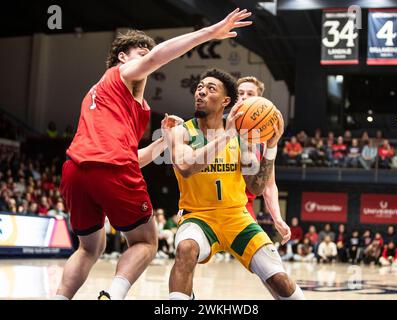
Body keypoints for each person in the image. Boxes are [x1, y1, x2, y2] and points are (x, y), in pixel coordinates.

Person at [55, 8, 253, 301]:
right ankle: (112, 295)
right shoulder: (119, 74)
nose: (147, 55)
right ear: (123, 57)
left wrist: (162, 142)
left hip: (75, 169)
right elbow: (158, 57)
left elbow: (130, 157)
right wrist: (211, 32)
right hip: (110, 169)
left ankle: (59, 298)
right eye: (140, 51)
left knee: (89, 248)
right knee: (146, 242)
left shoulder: (107, 96)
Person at [164, 68, 304, 300]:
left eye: (210, 89)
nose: (201, 93)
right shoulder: (182, 132)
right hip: (198, 217)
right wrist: (226, 136)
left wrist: (271, 146)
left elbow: (258, 187)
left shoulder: (244, 138)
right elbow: (186, 167)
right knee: (185, 249)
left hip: (236, 217)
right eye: (199, 87)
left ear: (225, 101)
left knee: (279, 280)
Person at [237, 77, 290, 247]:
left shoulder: (263, 140)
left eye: (250, 94)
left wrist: (278, 219)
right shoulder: (220, 126)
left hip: (244, 207)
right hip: (216, 204)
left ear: (259, 102)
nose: (244, 97)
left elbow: (268, 185)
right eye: (240, 93)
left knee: (265, 256)